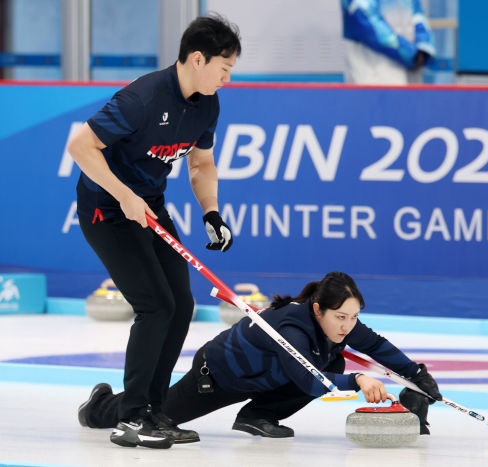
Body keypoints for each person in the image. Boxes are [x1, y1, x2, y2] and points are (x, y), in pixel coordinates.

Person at [69, 15, 242, 449]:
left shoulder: (207, 103)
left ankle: (150, 408)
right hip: (107, 209)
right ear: (197, 59)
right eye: (224, 67)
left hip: (149, 206)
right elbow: (80, 146)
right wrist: (123, 194)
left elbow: (201, 165)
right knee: (156, 306)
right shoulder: (143, 97)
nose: (226, 78)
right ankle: (130, 420)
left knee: (181, 304)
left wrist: (211, 213)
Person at [78, 272, 442, 445]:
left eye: (353, 317)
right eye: (340, 317)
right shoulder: (291, 328)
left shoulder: (340, 324)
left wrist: (417, 374)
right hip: (217, 377)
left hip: (263, 378)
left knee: (334, 363)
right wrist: (360, 381)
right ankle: (99, 407)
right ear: (318, 310)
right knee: (160, 414)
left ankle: (258, 414)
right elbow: (309, 382)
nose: (347, 326)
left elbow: (376, 345)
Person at [340, 0, 436, 84]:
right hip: (373, 73)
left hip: (410, 75)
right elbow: (365, 20)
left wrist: (423, 48)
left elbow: (417, 14)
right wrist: (411, 54)